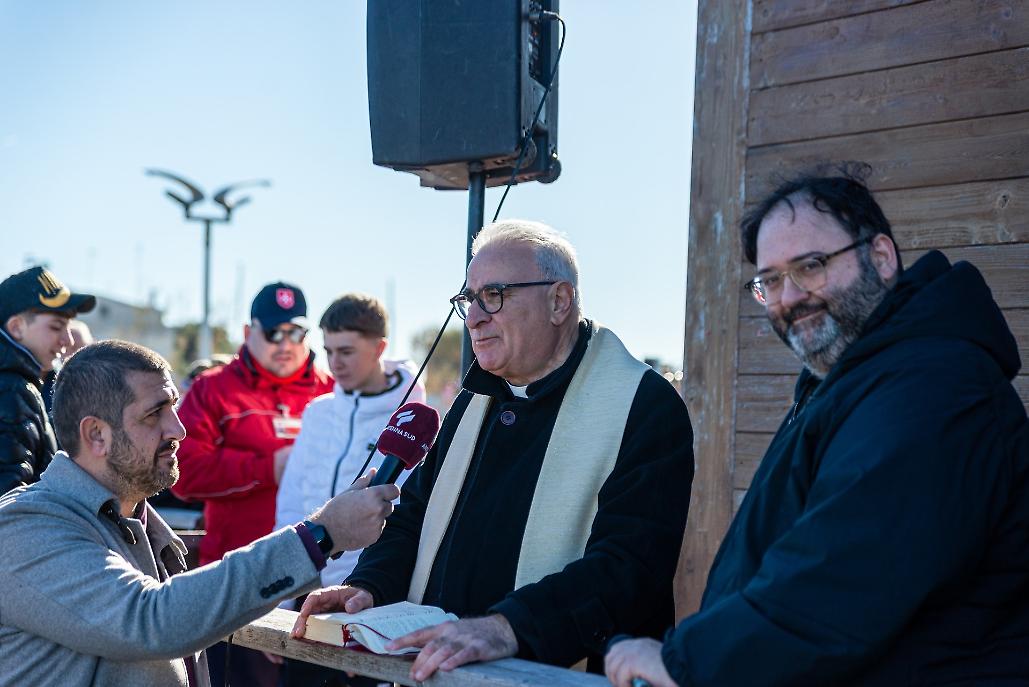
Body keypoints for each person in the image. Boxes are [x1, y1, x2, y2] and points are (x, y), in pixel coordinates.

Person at [605, 168, 1029, 687]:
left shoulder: (935, 384)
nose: (788, 297)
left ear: (881, 258)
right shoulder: (846, 384)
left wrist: (691, 662)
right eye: (770, 281)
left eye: (810, 266)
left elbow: (848, 575)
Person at [293, 220, 695, 681]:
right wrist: (369, 586)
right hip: (437, 669)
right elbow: (415, 511)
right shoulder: (475, 398)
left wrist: (509, 626)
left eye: (495, 295)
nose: (475, 318)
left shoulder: (641, 404)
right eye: (469, 299)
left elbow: (631, 566)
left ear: (559, 301)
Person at [0, 339, 400, 687]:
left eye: (173, 407)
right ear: (96, 434)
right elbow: (150, 620)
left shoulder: (139, 524)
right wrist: (320, 535)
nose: (179, 430)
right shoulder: (24, 528)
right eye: (154, 413)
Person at [171, 281, 333, 685]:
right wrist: (266, 469)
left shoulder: (332, 391)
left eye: (296, 332)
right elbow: (182, 471)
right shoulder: (213, 389)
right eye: (273, 332)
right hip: (235, 585)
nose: (286, 343)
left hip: (318, 588)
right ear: (248, 332)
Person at [275, 293, 425, 687]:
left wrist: (371, 594)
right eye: (328, 351)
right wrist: (280, 598)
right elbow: (290, 508)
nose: (334, 363)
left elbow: (407, 522)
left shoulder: (418, 420)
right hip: (306, 607)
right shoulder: (317, 412)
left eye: (346, 351)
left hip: (368, 608)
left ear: (379, 348)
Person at [0, 265, 95, 494]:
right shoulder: (12, 391)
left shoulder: (16, 385)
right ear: (16, 327)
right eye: (56, 327)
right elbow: (11, 502)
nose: (67, 340)